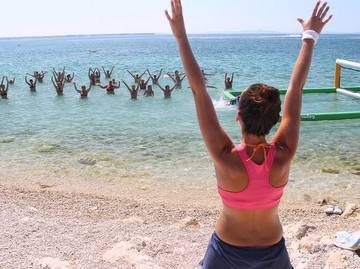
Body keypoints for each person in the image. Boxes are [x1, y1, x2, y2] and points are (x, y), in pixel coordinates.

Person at [165, 0, 332, 268]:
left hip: (226, 253)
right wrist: (309, 37)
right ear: (275, 121)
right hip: (272, 252)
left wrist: (181, 36)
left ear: (238, 116)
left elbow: (199, 91)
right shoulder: (283, 155)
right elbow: (296, 89)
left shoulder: (225, 157)